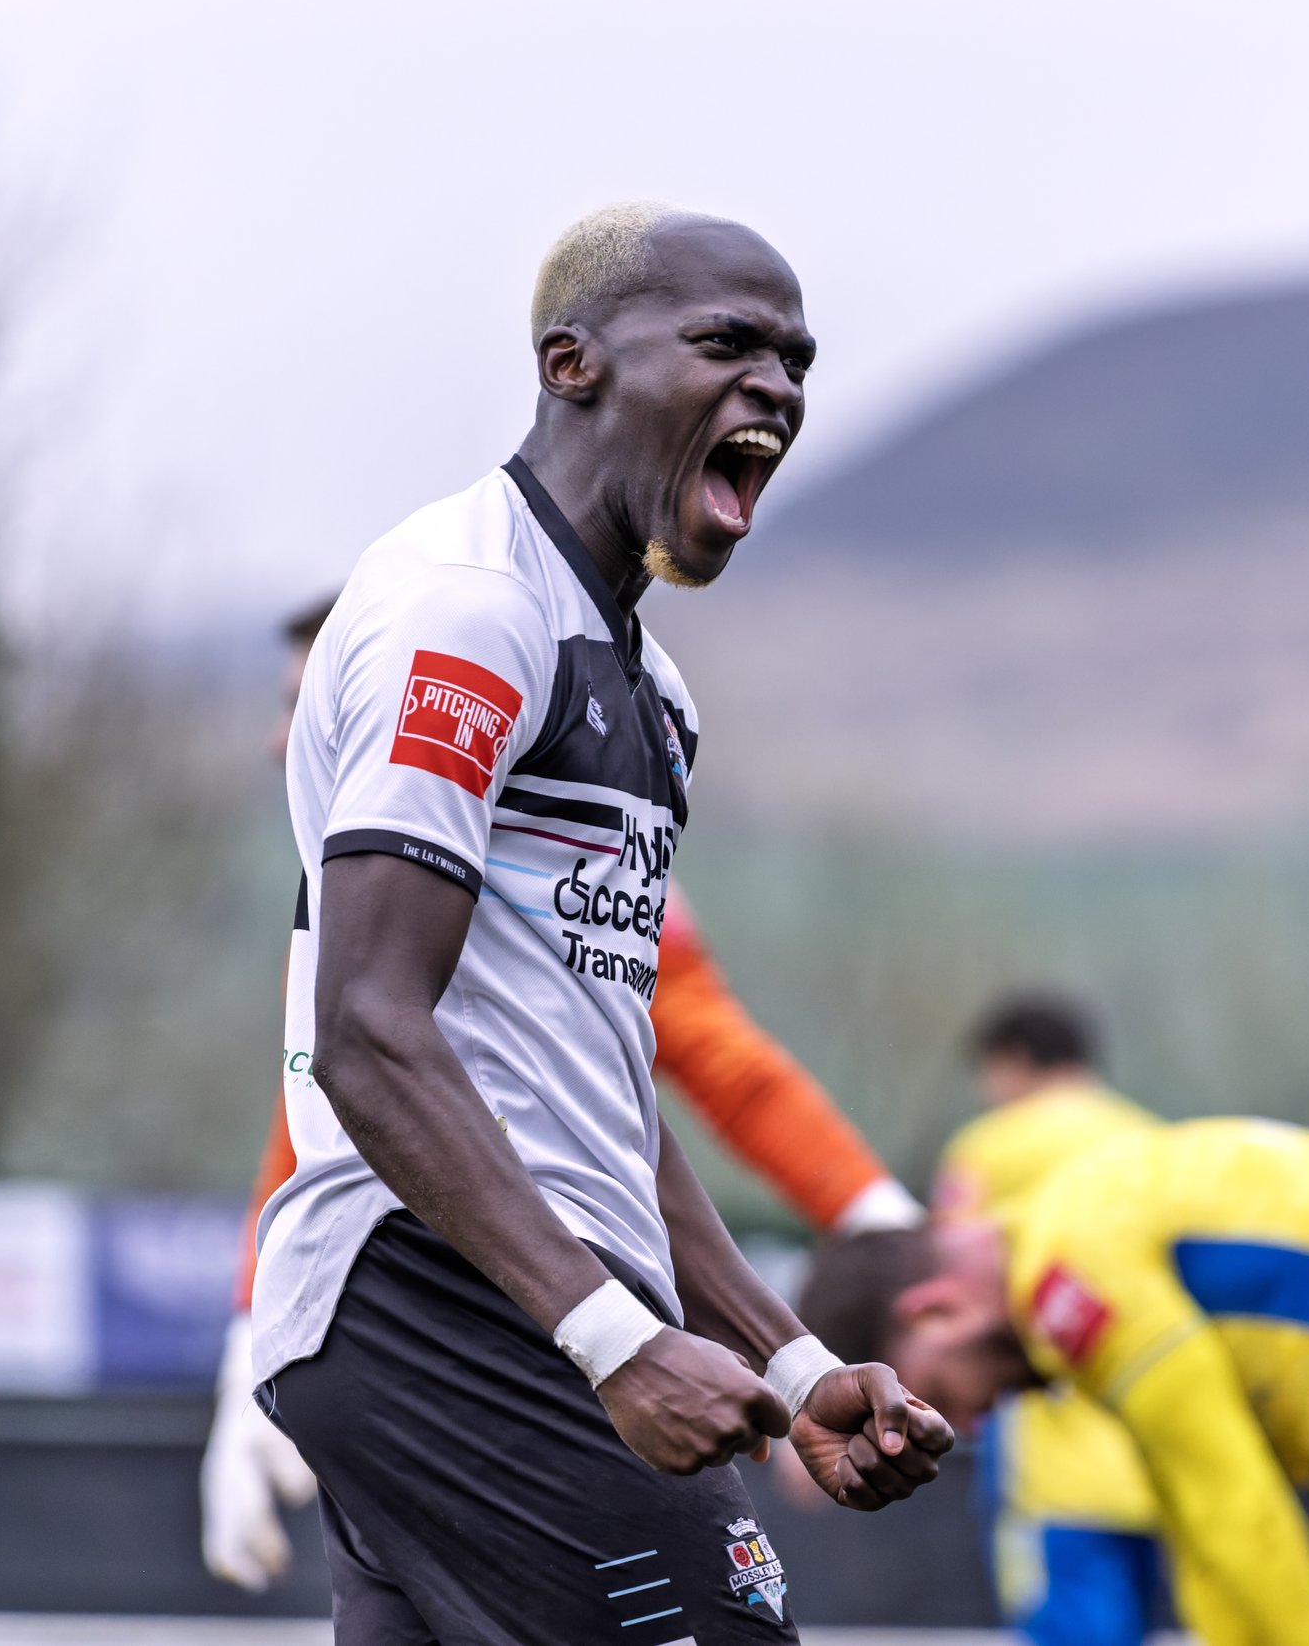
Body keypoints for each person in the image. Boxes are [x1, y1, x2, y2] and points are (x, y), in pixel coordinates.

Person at [250, 202, 952, 1644]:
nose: (778, 389)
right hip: (442, 1292)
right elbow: (368, 1032)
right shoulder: (468, 611)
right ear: (571, 362)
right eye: (728, 344)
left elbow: (608, 1099)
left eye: (798, 363)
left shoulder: (658, 697)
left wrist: (798, 1357)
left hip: (492, 1297)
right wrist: (617, 1339)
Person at [202, 602, 924, 1594]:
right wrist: (251, 1329)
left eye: (307, 699)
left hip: (509, 1330)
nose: (282, 736)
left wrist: (877, 1233)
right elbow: (326, 1106)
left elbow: (719, 1078)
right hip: (413, 1331)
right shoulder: (361, 872)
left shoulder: (541, 860)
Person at [802, 1118, 1309, 1646]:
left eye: (923, 1395)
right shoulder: (1069, 1243)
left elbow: (1234, 1504)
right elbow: (1202, 1529)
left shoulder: (1073, 1280)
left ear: (935, 1309)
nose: (964, 1423)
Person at [932, 994, 1169, 1646]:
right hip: (1155, 1446)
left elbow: (943, 1281)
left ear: (1012, 1060)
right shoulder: (1154, 1141)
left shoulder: (993, 1144)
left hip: (1049, 1454)